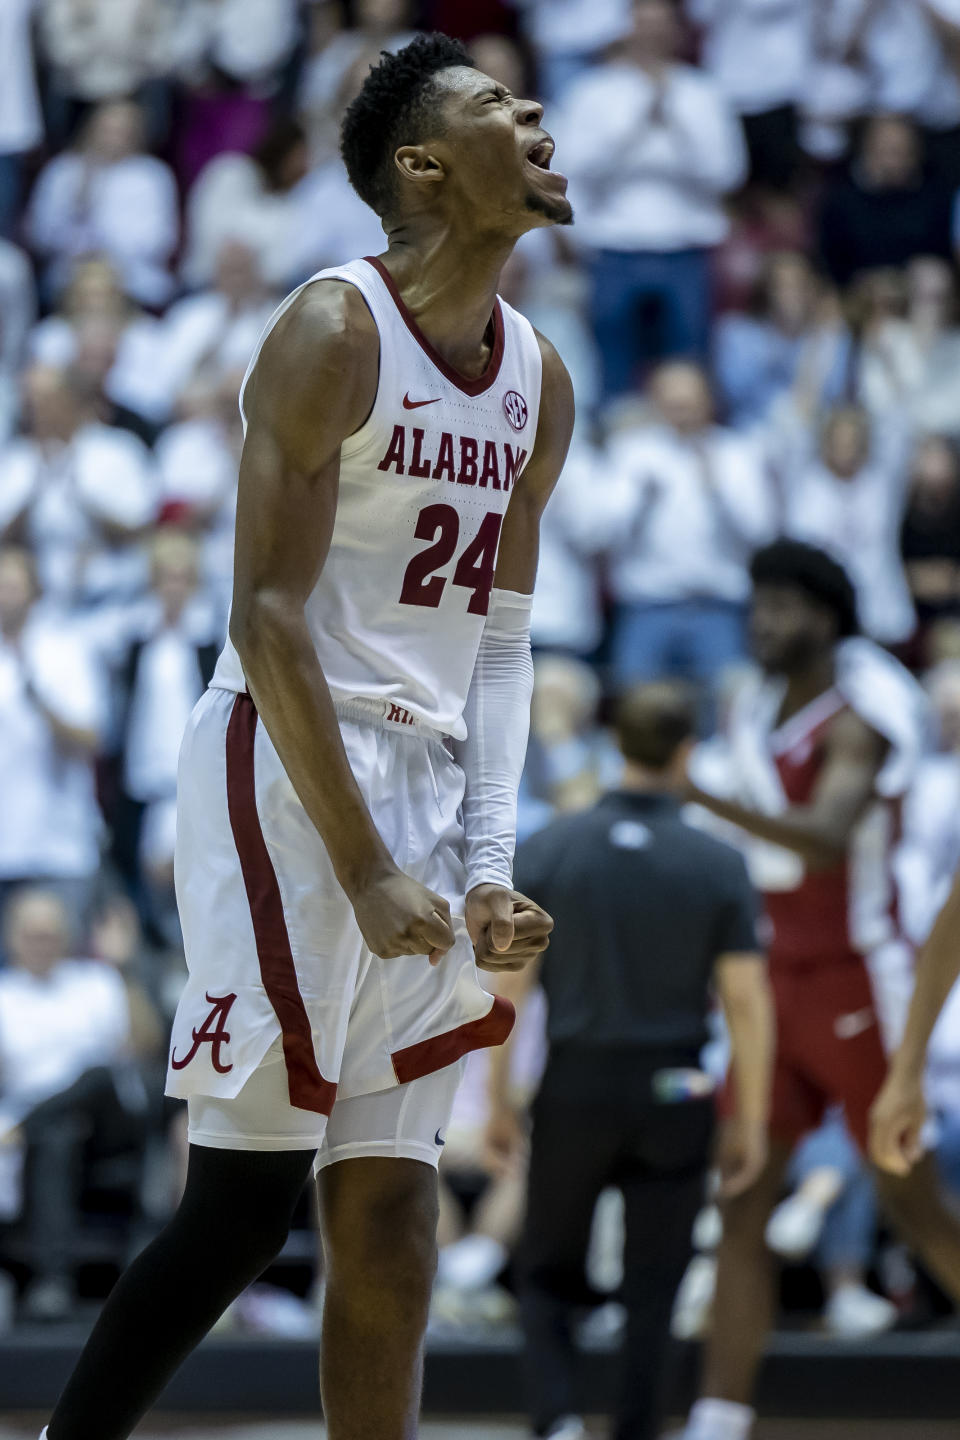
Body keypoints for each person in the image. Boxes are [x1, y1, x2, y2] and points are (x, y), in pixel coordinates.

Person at [39, 32, 571, 1440]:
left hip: (428, 775)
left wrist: (481, 863)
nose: (532, 116)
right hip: (288, 763)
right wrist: (363, 866)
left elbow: (500, 642)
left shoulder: (538, 375)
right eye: (492, 108)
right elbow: (266, 618)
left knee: (396, 1212)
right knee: (240, 1208)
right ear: (423, 165)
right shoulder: (333, 330)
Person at [673, 540, 960, 1440]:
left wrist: (701, 799)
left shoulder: (857, 718)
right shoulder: (754, 706)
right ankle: (720, 1417)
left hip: (858, 975)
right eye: (757, 604)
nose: (763, 621)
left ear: (826, 619)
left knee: (909, 1200)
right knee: (743, 1197)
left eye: (783, 607)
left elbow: (827, 838)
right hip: (770, 979)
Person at [489, 681, 773, 1440]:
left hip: (576, 1079)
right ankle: (636, 1431)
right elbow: (746, 1003)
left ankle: (555, 1422)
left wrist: (493, 1099)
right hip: (677, 1084)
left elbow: (509, 987)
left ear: (615, 746)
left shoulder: (552, 847)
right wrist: (750, 1116)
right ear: (687, 754)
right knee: (656, 1286)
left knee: (546, 1273)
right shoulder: (718, 862)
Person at [554, 0, 747, 397]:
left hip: (685, 248)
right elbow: (574, 171)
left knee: (688, 364)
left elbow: (728, 173)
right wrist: (637, 127)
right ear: (627, 30)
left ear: (677, 31)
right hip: (614, 247)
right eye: (643, 24)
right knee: (614, 364)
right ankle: (617, 442)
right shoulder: (593, 92)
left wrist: (675, 125)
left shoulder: (703, 92)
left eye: (660, 24)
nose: (651, 34)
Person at [0, 887, 161, 1322]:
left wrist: (124, 969)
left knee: (96, 1075)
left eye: (50, 933)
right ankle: (52, 1282)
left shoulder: (96, 981)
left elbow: (147, 1045)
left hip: (109, 1120)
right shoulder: (4, 997)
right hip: (47, 1136)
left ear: (67, 936)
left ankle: (33, 1121)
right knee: (58, 1133)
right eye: (32, 933)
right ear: (12, 937)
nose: (41, 942)